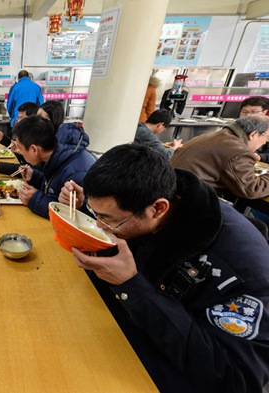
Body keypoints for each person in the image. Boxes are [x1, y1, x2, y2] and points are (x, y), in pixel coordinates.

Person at [59, 143, 269, 392]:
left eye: (107, 219)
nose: (100, 226)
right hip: (128, 332)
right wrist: (85, 211)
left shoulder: (244, 273)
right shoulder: (158, 198)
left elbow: (235, 380)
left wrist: (132, 287)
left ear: (158, 208)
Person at [12, 115, 96, 218]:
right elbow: (54, 186)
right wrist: (35, 177)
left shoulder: (76, 173)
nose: (19, 152)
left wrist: (34, 199)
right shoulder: (57, 154)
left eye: (20, 148)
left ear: (34, 149)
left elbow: (74, 216)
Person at [170, 115, 269, 202]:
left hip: (172, 189)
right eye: (267, 137)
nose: (265, 142)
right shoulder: (238, 150)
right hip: (189, 200)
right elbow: (252, 189)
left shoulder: (216, 135)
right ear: (254, 134)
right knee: (253, 224)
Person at [239, 96, 269, 163]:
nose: (248, 115)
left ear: (266, 113)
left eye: (254, 112)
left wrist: (260, 156)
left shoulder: (266, 131)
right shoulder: (236, 128)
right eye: (244, 112)